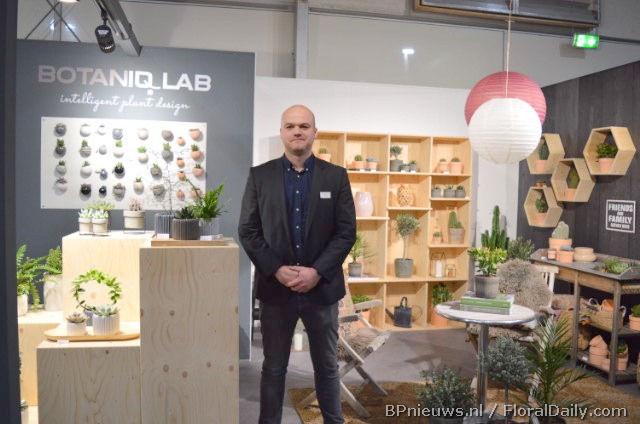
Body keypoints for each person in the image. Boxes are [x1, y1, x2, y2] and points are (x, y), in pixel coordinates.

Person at [238, 104, 356, 424]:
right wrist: (277, 269)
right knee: (274, 368)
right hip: (276, 290)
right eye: (290, 126)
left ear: (314, 132)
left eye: (304, 126)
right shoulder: (260, 176)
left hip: (322, 290)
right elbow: (248, 230)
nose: (297, 131)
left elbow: (346, 232)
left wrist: (317, 271)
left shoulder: (336, 176)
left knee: (327, 367)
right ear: (281, 133)